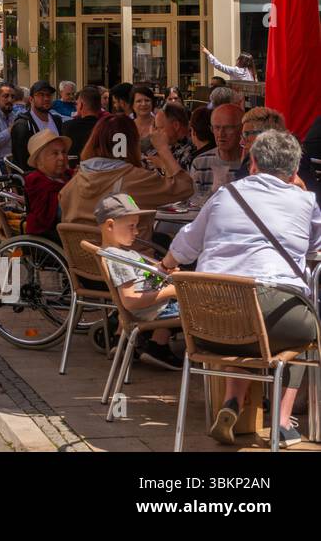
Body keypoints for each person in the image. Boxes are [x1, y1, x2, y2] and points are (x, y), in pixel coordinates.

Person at [161, 130, 321, 448]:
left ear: (253, 164)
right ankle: (281, 423)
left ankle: (232, 401)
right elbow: (316, 248)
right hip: (276, 317)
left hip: (208, 322)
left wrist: (167, 264)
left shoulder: (224, 195)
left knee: (240, 323)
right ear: (293, 172)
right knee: (307, 333)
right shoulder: (305, 201)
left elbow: (185, 245)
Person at [96, 194, 183, 371]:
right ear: (110, 225)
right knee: (200, 309)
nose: (136, 232)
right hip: (154, 309)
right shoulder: (119, 259)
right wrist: (170, 291)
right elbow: (130, 301)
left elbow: (141, 282)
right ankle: (158, 345)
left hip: (151, 304)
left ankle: (130, 343)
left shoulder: (119, 253)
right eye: (132, 226)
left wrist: (160, 271)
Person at [58, 115, 194, 227]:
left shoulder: (71, 187)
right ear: (132, 143)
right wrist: (163, 149)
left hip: (82, 252)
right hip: (131, 251)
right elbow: (185, 187)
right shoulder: (137, 179)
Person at [23, 130, 71, 242]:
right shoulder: (36, 181)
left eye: (64, 152)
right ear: (39, 161)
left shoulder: (69, 175)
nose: (62, 157)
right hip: (54, 234)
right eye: (55, 153)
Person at [191, 103, 244, 201]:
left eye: (228, 128)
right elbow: (194, 202)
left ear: (241, 129)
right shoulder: (200, 163)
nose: (221, 134)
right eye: (217, 128)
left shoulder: (251, 163)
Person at [9, 80, 64, 172]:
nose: (46, 98)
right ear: (31, 99)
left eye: (48, 95)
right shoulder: (23, 125)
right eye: (41, 95)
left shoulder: (57, 120)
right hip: (34, 176)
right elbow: (21, 160)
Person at [62, 84, 103, 160]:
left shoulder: (68, 127)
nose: (76, 107)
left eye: (77, 104)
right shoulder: (106, 128)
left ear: (81, 105)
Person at [152, 102, 195, 172]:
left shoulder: (191, 151)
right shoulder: (172, 144)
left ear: (176, 125)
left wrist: (162, 165)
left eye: (160, 128)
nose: (157, 133)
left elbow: (181, 177)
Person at [0, 82, 18, 165]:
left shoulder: (13, 115)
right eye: (6, 96)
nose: (10, 100)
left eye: (12, 97)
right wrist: (9, 131)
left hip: (12, 162)